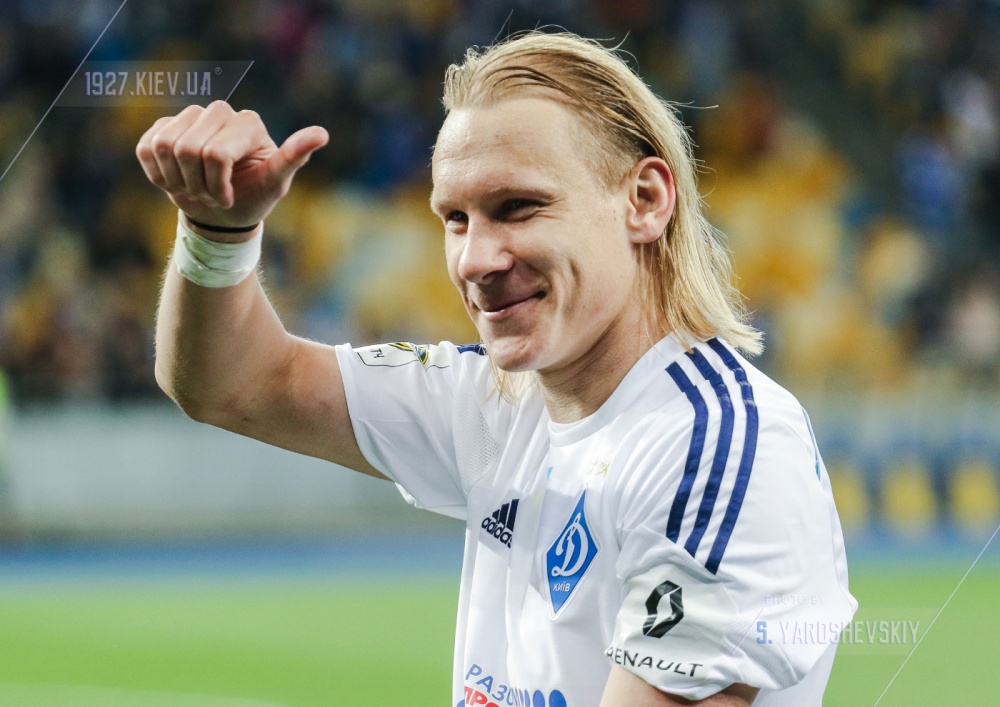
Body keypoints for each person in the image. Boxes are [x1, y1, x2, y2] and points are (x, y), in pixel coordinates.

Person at [137, 31, 856, 707]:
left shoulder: (719, 449)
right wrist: (217, 234)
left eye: (518, 208)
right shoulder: (496, 398)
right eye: (455, 219)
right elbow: (235, 383)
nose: (475, 260)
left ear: (645, 201)